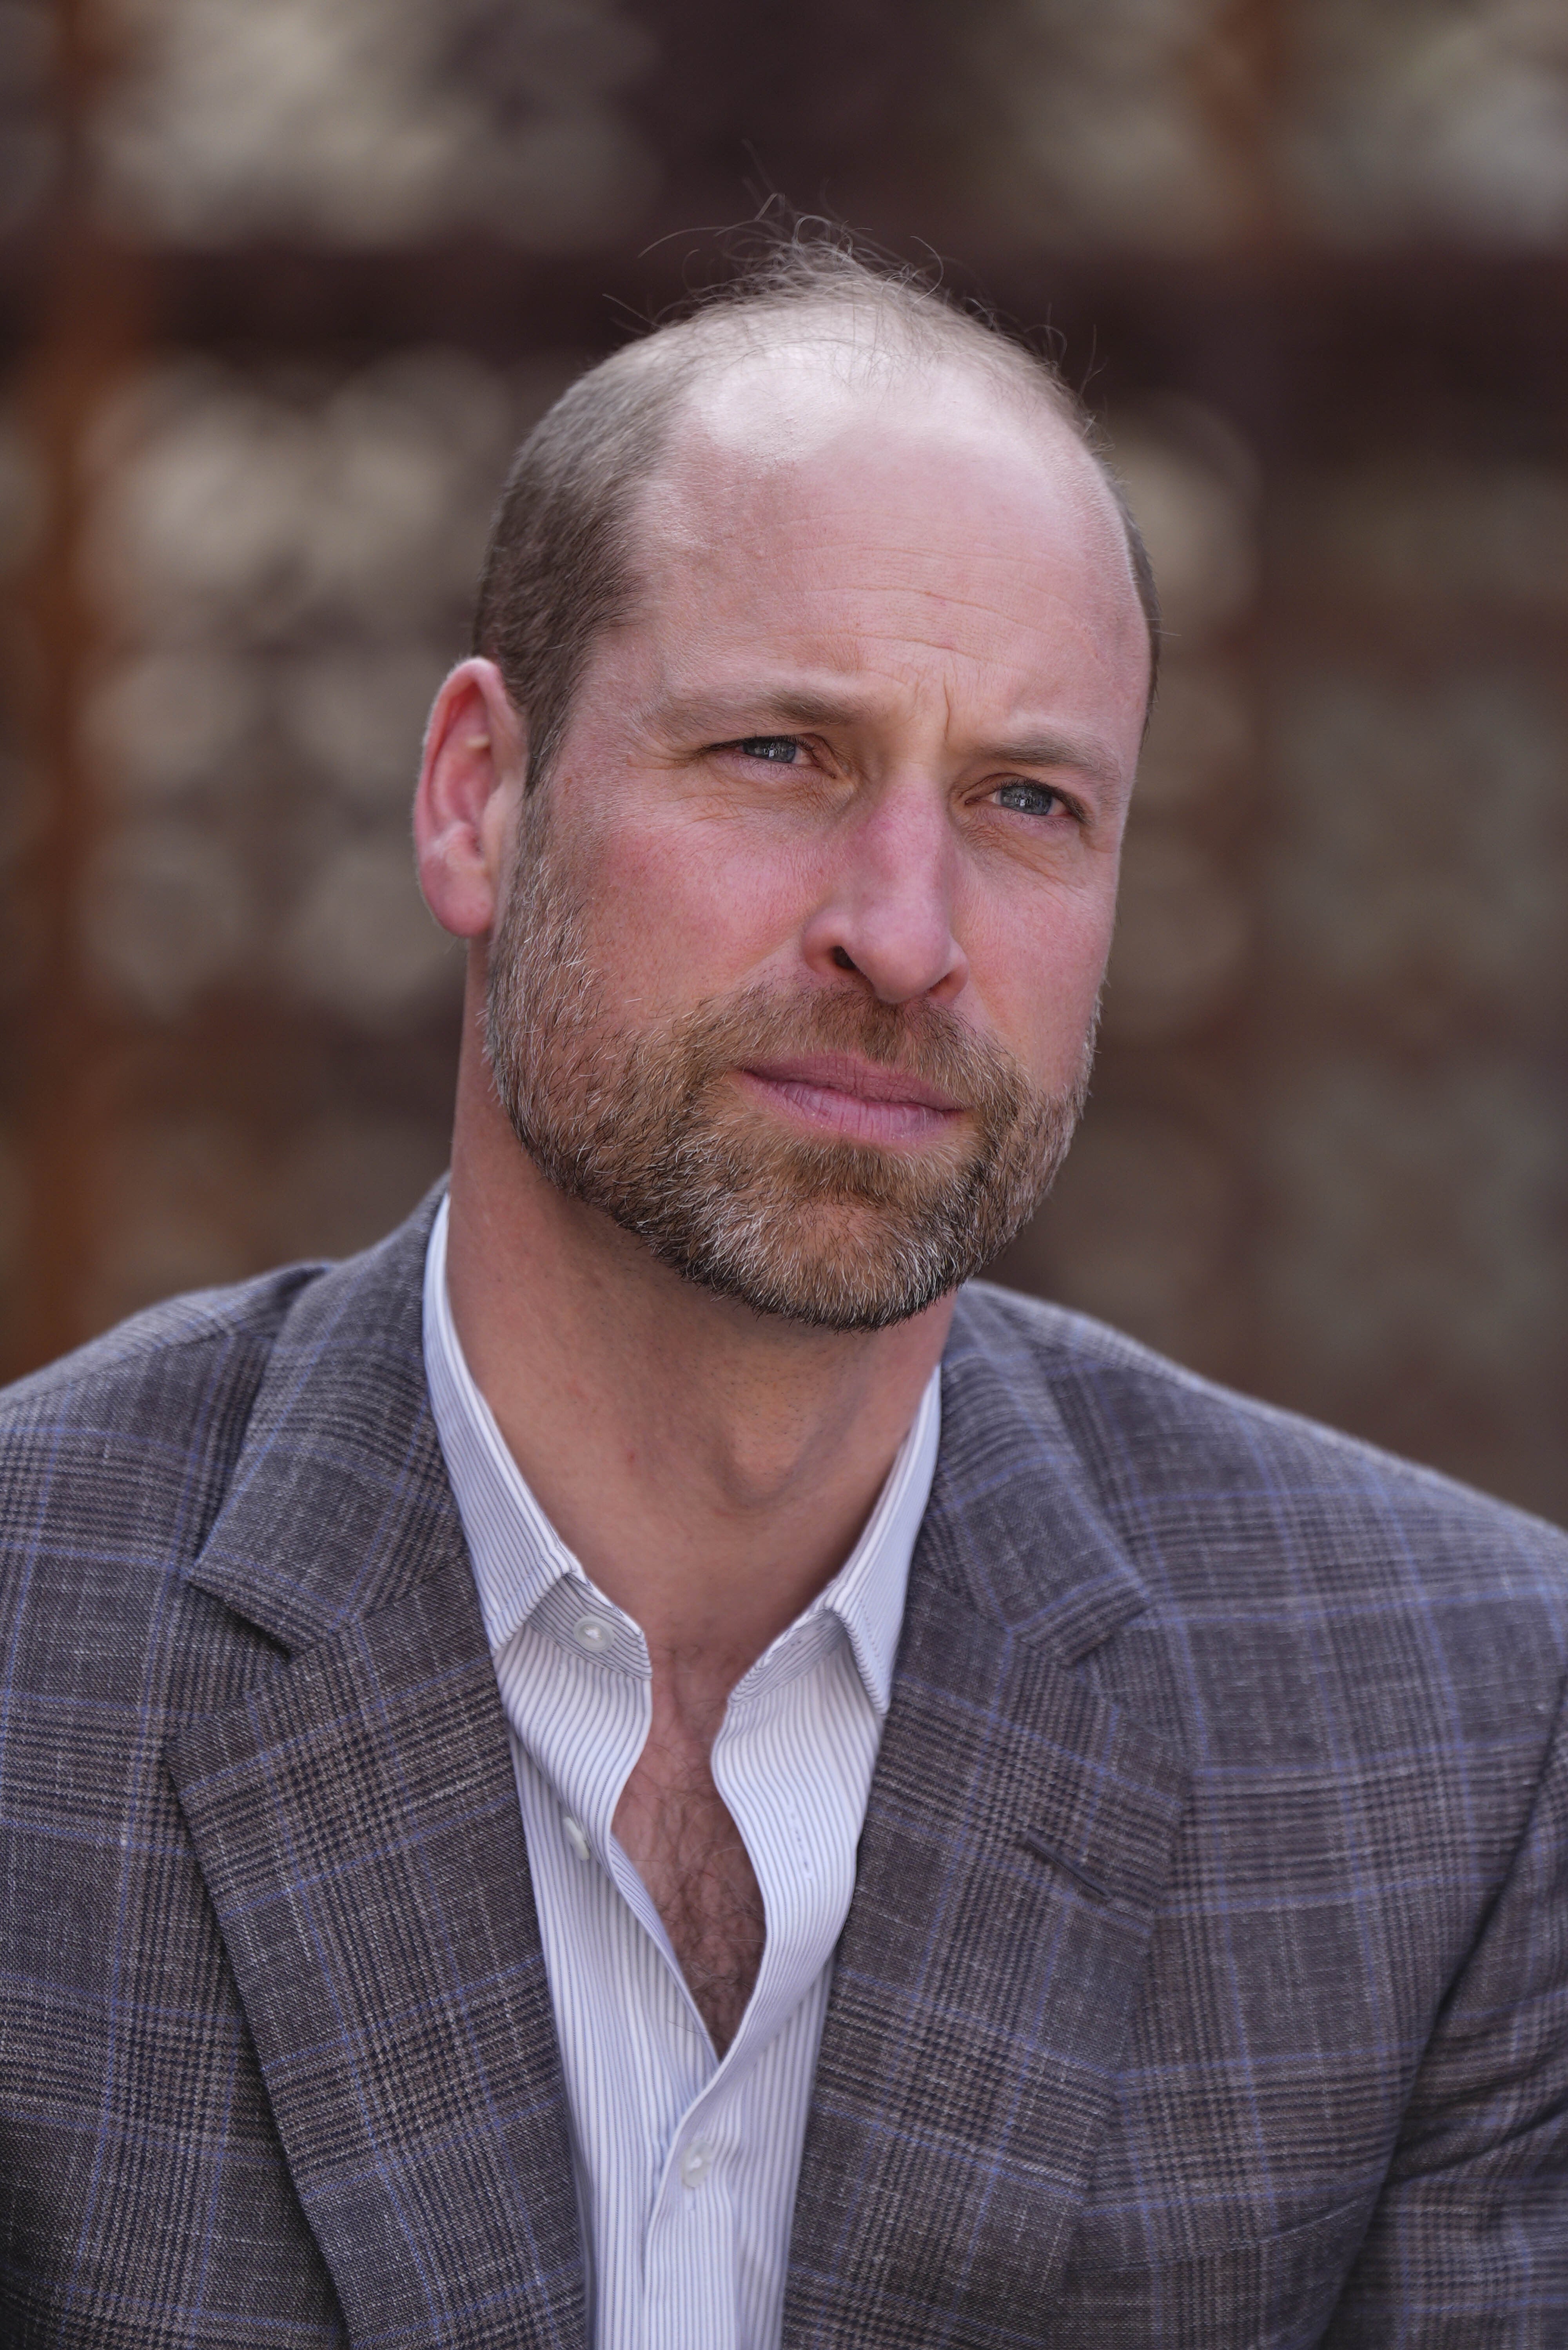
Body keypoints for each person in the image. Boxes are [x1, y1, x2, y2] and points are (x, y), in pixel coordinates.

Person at [1, 240, 1564, 2350]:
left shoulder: (1463, 1742)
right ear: (480, 795)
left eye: (1027, 799)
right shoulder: (36, 1647)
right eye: (780, 755)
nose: (907, 934)